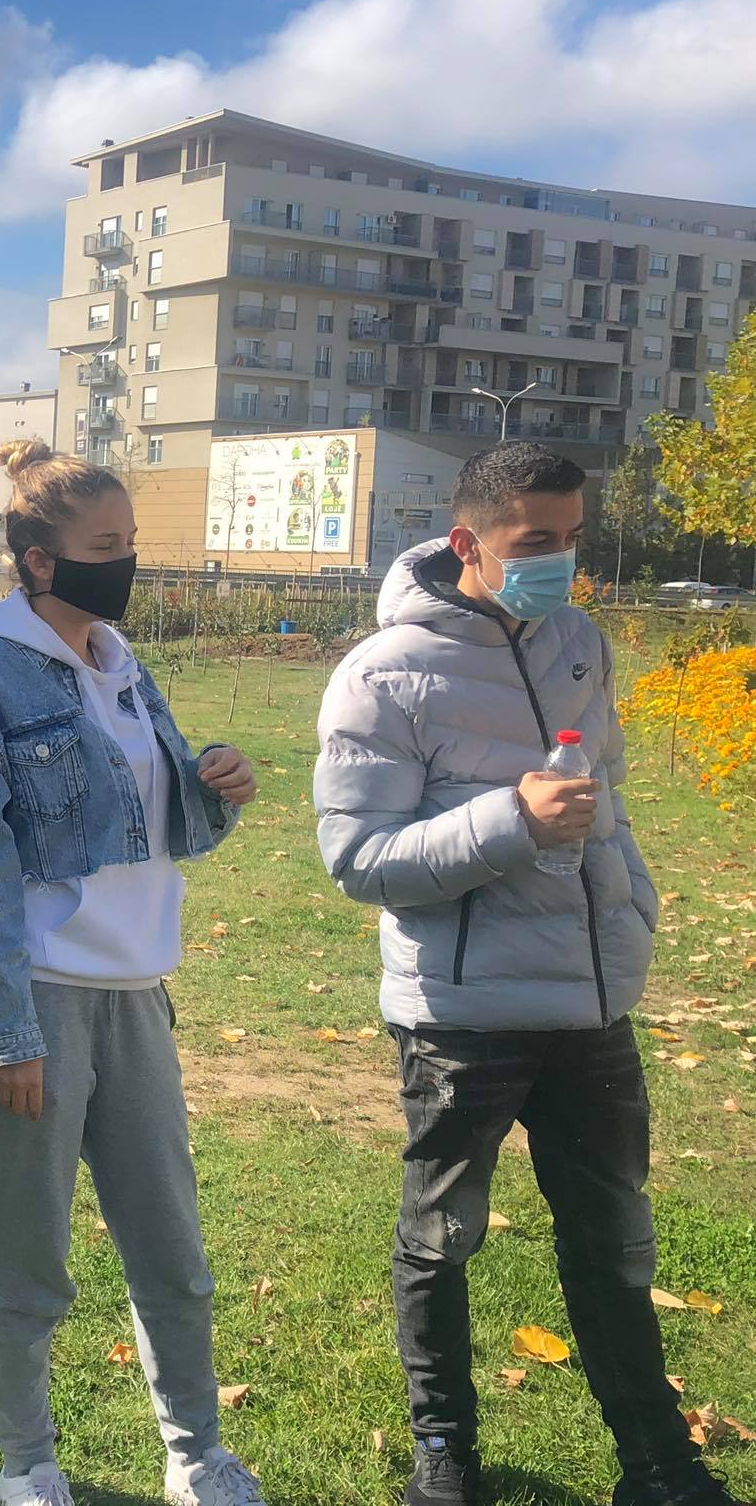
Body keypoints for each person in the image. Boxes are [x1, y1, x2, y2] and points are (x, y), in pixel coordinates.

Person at [313, 442, 738, 1506]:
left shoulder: (578, 640)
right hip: (461, 1015)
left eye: (571, 539)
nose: (560, 563)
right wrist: (509, 819)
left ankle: (657, 1462)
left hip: (589, 1002)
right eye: (534, 544)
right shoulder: (381, 674)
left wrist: (629, 898)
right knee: (440, 1238)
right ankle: (442, 1455)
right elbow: (357, 861)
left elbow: (608, 792)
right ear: (466, 544)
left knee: (612, 1238)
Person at [0, 439, 264, 1506]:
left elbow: (139, 812)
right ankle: (27, 1464)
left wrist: (212, 784)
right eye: (103, 548)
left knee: (170, 1244)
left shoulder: (117, 662)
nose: (126, 564)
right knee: (31, 1258)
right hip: (35, 1007)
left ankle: (192, 1451)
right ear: (38, 561)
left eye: (130, 544)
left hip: (134, 997)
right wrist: (4, 1033)